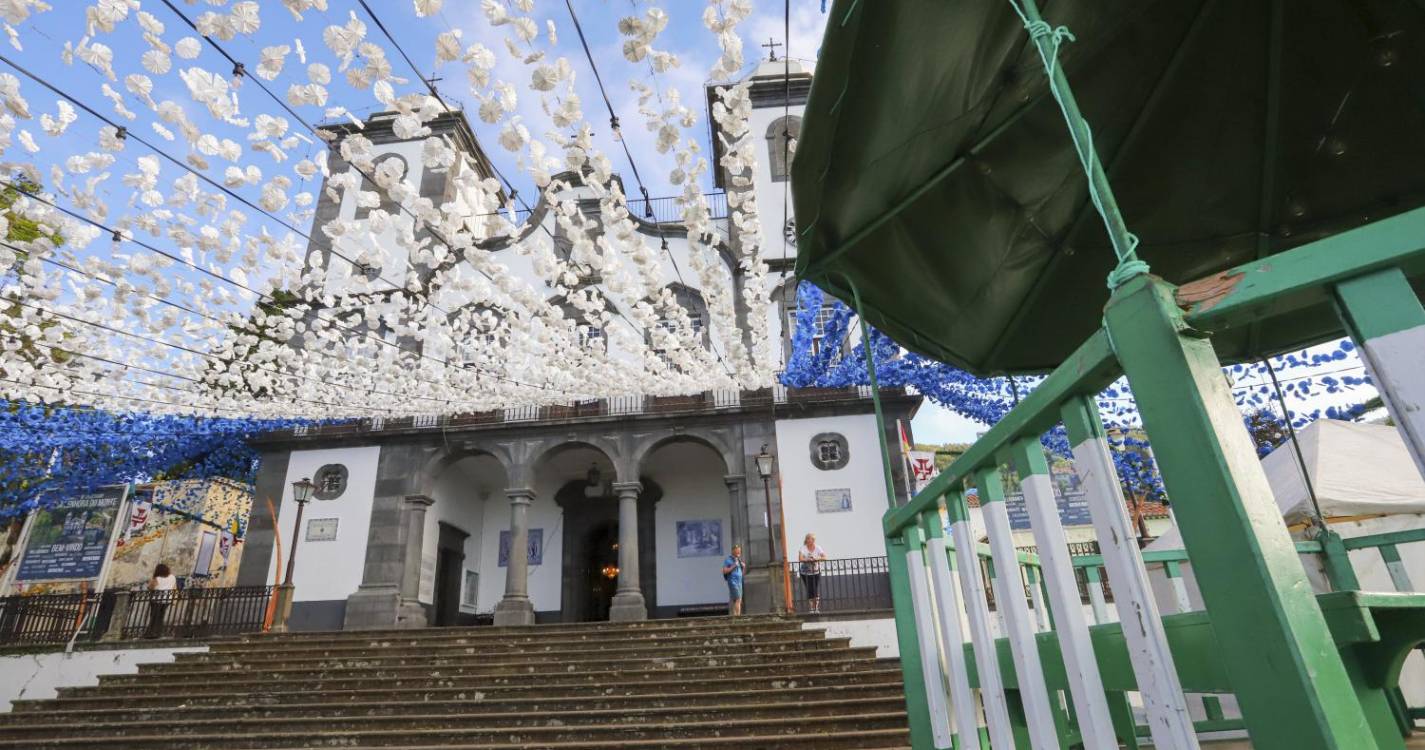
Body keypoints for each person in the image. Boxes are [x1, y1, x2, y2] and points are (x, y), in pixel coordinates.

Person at [144, 563, 177, 638]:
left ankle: (150, 632)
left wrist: (152, 580)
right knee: (161, 617)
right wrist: (174, 600)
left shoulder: (157, 578)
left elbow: (150, 587)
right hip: (167, 600)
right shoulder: (172, 577)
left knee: (153, 616)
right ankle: (158, 632)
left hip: (156, 600)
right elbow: (174, 588)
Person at [798, 533, 828, 613]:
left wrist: (816, 558)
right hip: (805, 572)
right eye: (808, 539)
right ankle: (811, 608)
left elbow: (825, 557)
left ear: (813, 540)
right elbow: (800, 559)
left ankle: (816, 608)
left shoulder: (818, 547)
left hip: (816, 571)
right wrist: (807, 560)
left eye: (811, 539)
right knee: (809, 589)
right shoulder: (803, 548)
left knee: (815, 589)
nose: (809, 540)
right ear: (806, 540)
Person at [721, 544, 745, 615]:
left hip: (739, 582)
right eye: (737, 551)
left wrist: (743, 567)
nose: (739, 553)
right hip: (733, 581)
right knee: (737, 598)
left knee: (738, 600)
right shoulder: (728, 560)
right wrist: (733, 566)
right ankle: (737, 617)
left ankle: (736, 616)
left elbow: (741, 573)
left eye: (740, 551)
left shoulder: (739, 560)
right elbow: (724, 571)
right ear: (733, 551)